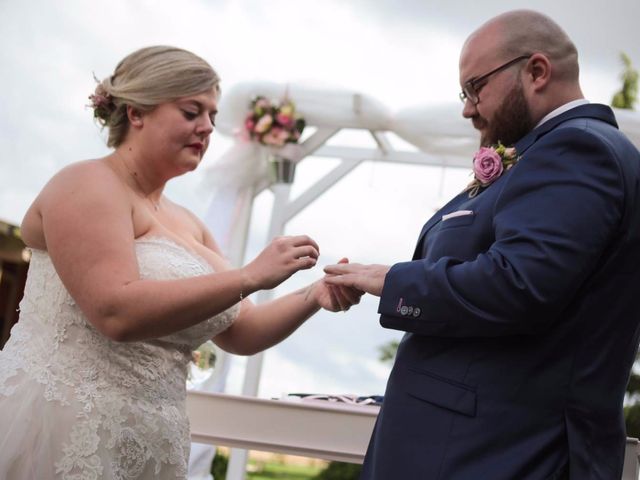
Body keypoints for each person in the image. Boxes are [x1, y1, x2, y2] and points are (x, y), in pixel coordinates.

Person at [0, 45, 361, 479]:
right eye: (192, 112)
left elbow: (241, 332)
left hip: (154, 439)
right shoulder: (87, 184)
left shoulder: (189, 224)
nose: (207, 127)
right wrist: (248, 275)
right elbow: (115, 312)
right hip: (64, 426)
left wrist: (312, 295)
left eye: (211, 115)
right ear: (137, 113)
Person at [325, 10, 640, 480]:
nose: (468, 109)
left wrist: (391, 280)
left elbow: (519, 285)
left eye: (475, 87)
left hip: (494, 453)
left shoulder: (577, 150)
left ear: (536, 71)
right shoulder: (548, 152)